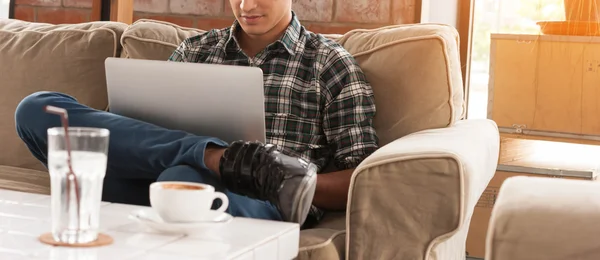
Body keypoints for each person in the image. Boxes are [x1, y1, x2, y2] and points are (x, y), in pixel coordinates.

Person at [14, 0, 378, 226]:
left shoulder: (329, 64)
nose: (246, 4)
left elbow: (365, 178)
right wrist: (209, 155)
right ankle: (215, 155)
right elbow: (127, 136)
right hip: (149, 179)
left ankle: (204, 162)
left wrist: (286, 179)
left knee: (184, 175)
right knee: (35, 109)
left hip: (249, 201)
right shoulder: (195, 50)